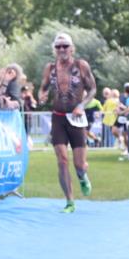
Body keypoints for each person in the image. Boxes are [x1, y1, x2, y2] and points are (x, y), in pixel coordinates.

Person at [38, 32, 97, 213]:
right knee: (62, 160)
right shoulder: (50, 68)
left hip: (76, 118)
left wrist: (81, 105)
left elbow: (93, 89)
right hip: (58, 118)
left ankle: (82, 175)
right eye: (58, 46)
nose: (62, 49)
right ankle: (69, 201)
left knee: (79, 164)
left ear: (72, 48)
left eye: (65, 46)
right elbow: (43, 87)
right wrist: (42, 95)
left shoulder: (81, 66)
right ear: (54, 50)